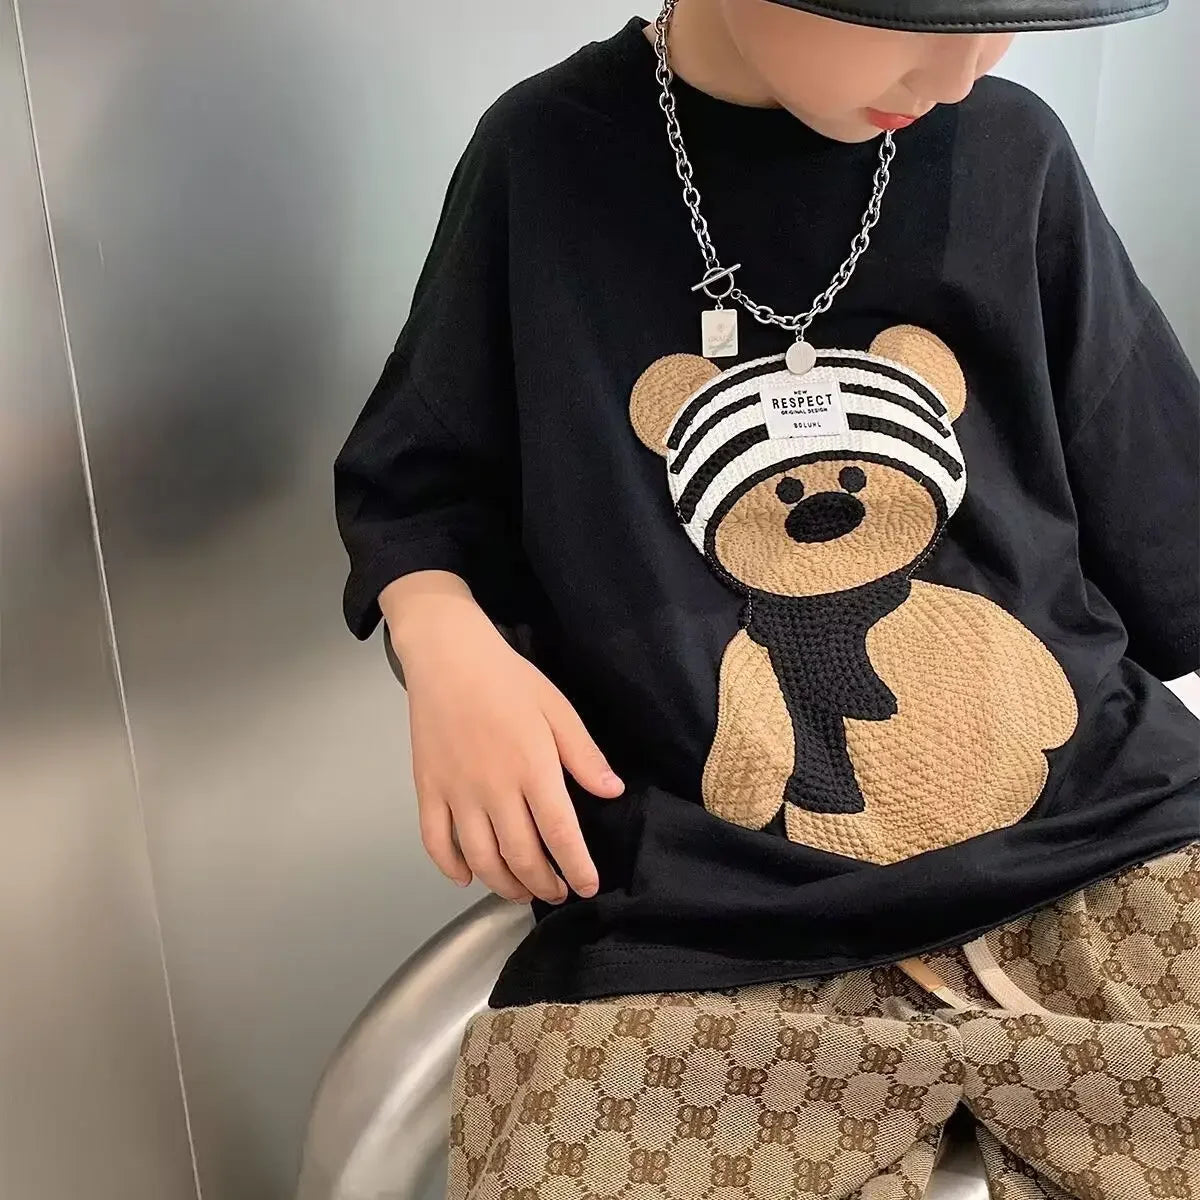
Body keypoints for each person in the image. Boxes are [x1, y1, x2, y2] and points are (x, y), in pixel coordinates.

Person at [334, 1, 1200, 1195]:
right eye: (913, 7)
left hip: (1099, 850)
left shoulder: (1013, 154)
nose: (959, 70)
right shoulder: (548, 162)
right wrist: (445, 643)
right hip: (709, 928)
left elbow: (1161, 511)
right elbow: (419, 482)